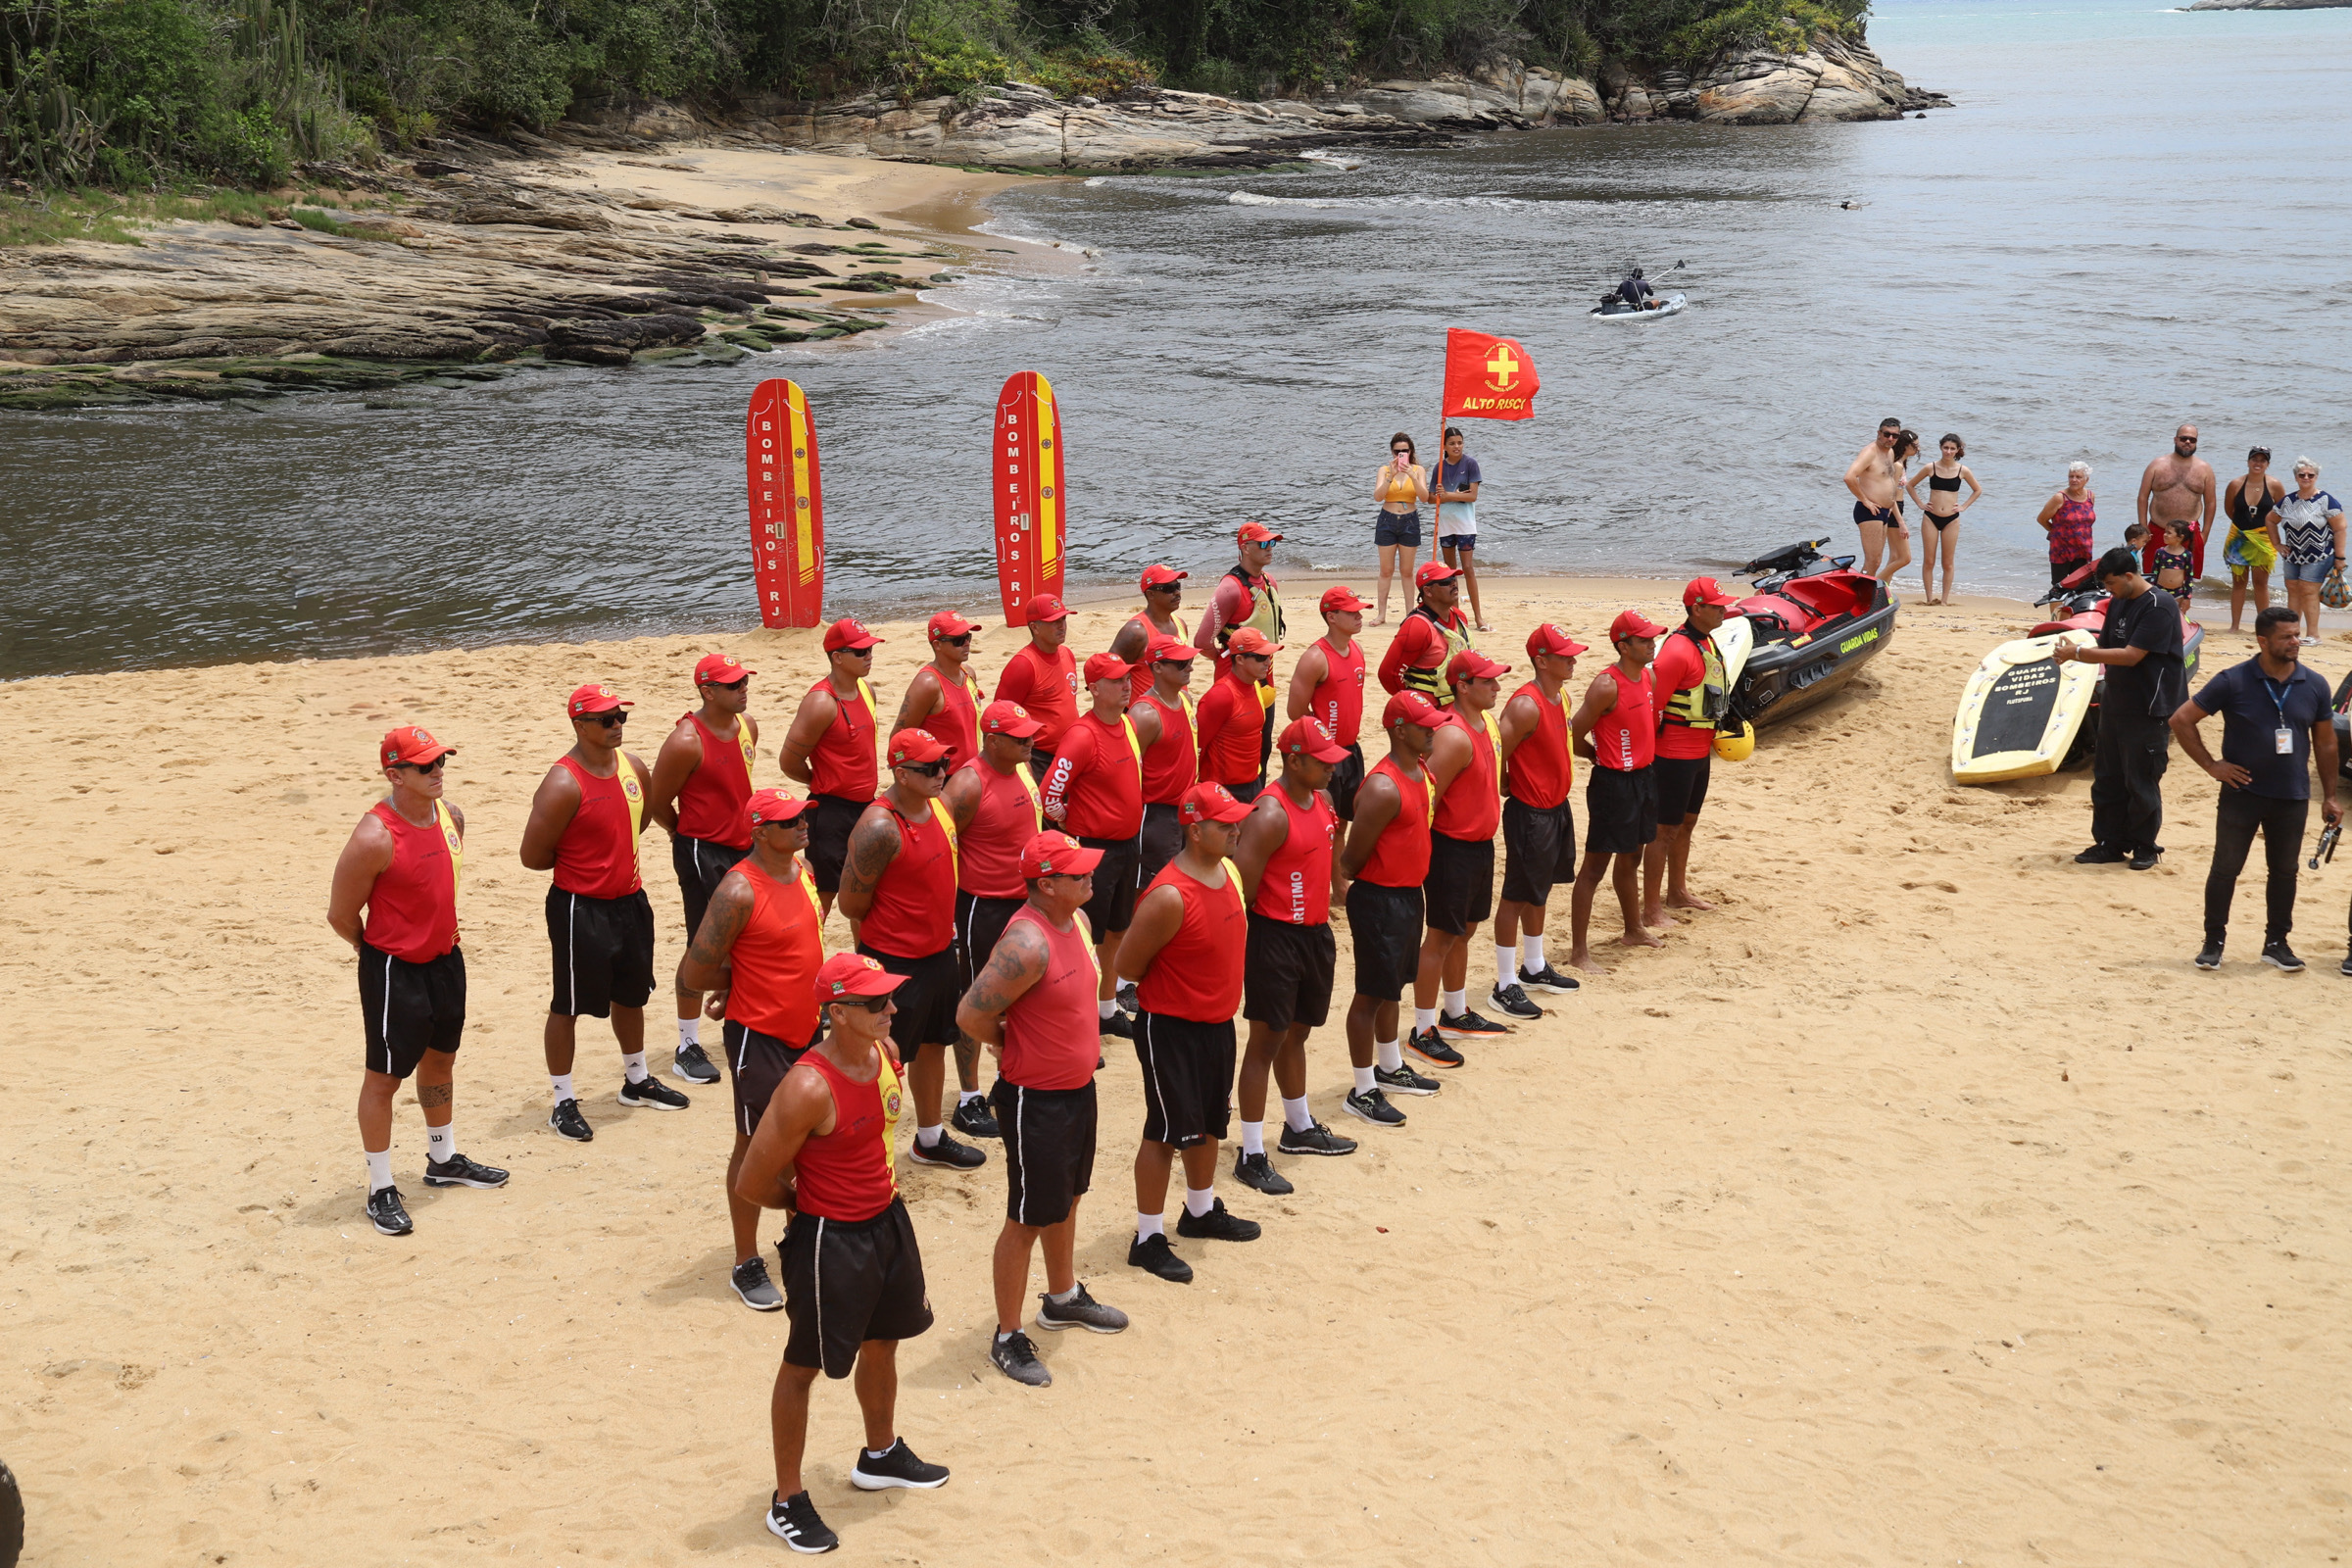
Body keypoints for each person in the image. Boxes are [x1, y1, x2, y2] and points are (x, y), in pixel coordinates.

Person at [735, 951, 948, 1555]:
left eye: (889, 998)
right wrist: (806, 1207)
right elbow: (752, 1183)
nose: (892, 1008)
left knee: (886, 1340)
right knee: (802, 1367)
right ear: (836, 1011)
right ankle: (786, 1500)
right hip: (831, 1241)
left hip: (888, 1221)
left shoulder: (885, 1054)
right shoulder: (806, 1086)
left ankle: (879, 1454)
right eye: (876, 1002)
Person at [955, 830, 1132, 1389]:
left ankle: (1062, 1296)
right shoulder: (1025, 944)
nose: (1088, 877)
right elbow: (970, 1014)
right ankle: (1007, 1335)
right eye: (1076, 873)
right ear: (1045, 883)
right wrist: (1008, 1046)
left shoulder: (1073, 921)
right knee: (1027, 1216)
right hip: (1037, 1099)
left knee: (1068, 1198)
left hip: (1077, 1089)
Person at [326, 726, 507, 1237]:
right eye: (425, 766)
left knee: (441, 1059)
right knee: (384, 1079)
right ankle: (380, 1186)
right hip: (393, 969)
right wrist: (374, 949)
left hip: (446, 960)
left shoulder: (452, 817)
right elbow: (341, 914)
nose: (438, 772)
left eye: (440, 762)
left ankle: (443, 1158)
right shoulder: (374, 836)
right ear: (394, 775)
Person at [519, 684, 691, 1143]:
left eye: (621, 717)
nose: (617, 726)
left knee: (632, 994)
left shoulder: (633, 767)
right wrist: (588, 864)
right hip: (580, 907)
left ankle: (636, 1081)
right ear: (580, 725)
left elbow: (639, 821)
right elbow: (533, 856)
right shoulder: (562, 782)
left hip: (631, 901)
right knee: (569, 1004)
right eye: (606, 720)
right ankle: (562, 1101)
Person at [674, 788, 825, 1312]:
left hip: (806, 1029)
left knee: (806, 1143)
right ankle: (745, 1262)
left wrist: (746, 974)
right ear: (760, 832)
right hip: (758, 1037)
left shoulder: (802, 871)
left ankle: (799, 1241)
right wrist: (740, 983)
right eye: (789, 821)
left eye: (803, 816)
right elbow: (692, 974)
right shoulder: (738, 890)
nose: (802, 824)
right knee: (756, 1147)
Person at [1117, 782, 1259, 1284]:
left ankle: (1199, 1212)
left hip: (1217, 1024)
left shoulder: (1230, 873)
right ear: (1196, 831)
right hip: (1170, 1029)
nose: (1237, 829)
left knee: (1210, 1122)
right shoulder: (1168, 896)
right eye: (1226, 824)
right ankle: (1148, 1238)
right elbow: (1127, 965)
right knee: (1164, 1130)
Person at [839, 729, 987, 1171]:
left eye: (944, 763)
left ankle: (929, 1138)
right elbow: (851, 903)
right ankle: (861, 1153)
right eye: (929, 768)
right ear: (901, 774)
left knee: (932, 1044)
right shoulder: (879, 827)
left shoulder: (938, 807)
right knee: (879, 1059)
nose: (942, 773)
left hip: (939, 952)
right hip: (894, 963)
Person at [1228, 716, 1358, 1197]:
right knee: (1266, 1040)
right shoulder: (1268, 813)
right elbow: (1243, 887)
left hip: (1314, 933)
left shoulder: (1322, 802)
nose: (1331, 769)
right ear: (1294, 760)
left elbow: (1327, 863)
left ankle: (1299, 1126)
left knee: (1298, 1032)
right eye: (1321, 761)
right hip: (1274, 936)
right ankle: (1251, 1152)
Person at [2172, 607, 2340, 973]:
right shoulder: (2232, 680)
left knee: (2284, 871)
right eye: (2286, 636)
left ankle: (2276, 943)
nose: (2296, 641)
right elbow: (2182, 719)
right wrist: (2212, 766)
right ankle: (2213, 942)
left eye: (2297, 634)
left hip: (2292, 794)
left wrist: (2329, 795)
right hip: (2242, 793)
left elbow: (2326, 744)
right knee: (2226, 868)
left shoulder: (2314, 684)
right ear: (2263, 641)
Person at [1336, 692, 1448, 1128]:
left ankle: (1389, 1065)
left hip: (1405, 896)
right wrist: (1347, 883)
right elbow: (1352, 857)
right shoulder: (1383, 786)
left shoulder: (1418, 770)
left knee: (1392, 988)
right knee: (1369, 994)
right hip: (1380, 900)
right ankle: (1362, 1090)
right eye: (1425, 726)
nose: (1433, 731)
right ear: (1400, 730)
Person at [647, 653, 760, 1088]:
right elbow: (658, 802)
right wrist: (685, 836)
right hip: (702, 850)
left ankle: (744, 1017)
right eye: (733, 685)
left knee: (748, 938)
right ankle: (686, 1045)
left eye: (744, 681)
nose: (743, 689)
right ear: (707, 692)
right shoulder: (685, 741)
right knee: (703, 947)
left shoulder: (747, 726)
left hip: (744, 846)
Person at [939, 700, 1049, 1141]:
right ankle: (968, 1099)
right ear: (994, 739)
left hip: (1024, 903)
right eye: (1020, 737)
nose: (1030, 742)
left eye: (1030, 735)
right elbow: (941, 846)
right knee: (976, 1000)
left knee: (1021, 997)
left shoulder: (1022, 767)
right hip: (981, 906)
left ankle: (1013, 1079)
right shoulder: (967, 783)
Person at [1407, 648, 1514, 1058]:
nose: (1497, 687)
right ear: (1463, 686)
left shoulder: (1485, 722)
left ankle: (1454, 1011)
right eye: (1487, 681)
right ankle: (1422, 1029)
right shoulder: (1452, 734)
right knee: (1439, 938)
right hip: (1451, 848)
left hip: (1480, 846)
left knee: (1464, 931)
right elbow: (1427, 799)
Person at [2053, 548, 2184, 871]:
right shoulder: (2118, 601)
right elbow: (2108, 646)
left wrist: (2077, 652)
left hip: (2149, 704)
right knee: (2107, 777)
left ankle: (2144, 846)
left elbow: (2131, 655)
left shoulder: (2159, 605)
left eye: (2111, 583)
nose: (2108, 590)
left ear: (2129, 575)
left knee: (2140, 778)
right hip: (2117, 700)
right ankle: (2109, 843)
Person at [1041, 652, 1148, 1042]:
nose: (1126, 685)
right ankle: (1082, 1016)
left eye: (1128, 678)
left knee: (1119, 928)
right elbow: (1050, 792)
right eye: (1118, 680)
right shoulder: (1082, 735)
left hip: (1127, 845)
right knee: (1088, 935)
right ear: (1094, 689)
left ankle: (1106, 1009)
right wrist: (1072, 826)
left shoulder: (1128, 725)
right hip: (1094, 850)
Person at [1491, 624, 1587, 1013]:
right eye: (1565, 656)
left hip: (1555, 807)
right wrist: (1505, 785)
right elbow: (1496, 751)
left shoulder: (1560, 696)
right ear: (1542, 661)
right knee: (1515, 894)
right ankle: (1504, 982)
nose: (1574, 659)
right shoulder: (1525, 704)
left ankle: (1533, 966)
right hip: (1530, 812)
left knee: (1540, 888)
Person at [1567, 613, 1664, 974]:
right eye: (1645, 640)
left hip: (1643, 777)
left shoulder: (1649, 676)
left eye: (1653, 638)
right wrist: (1595, 755)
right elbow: (1573, 732)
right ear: (1624, 646)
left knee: (1632, 858)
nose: (1652, 643)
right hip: (1614, 784)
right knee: (1594, 868)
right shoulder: (1607, 685)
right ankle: (1579, 952)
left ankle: (1633, 929)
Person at [778, 617, 883, 917]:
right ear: (837, 657)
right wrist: (822, 779)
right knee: (823, 897)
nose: (869, 657)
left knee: (864, 897)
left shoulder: (867, 690)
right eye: (860, 652)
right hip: (830, 811)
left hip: (865, 806)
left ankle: (865, 960)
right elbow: (788, 762)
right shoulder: (821, 703)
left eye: (870, 650)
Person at [1645, 579, 1735, 929]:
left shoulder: (1706, 641)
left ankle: (1677, 892)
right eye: (1717, 605)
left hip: (1699, 753)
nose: (1724, 610)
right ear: (1697, 609)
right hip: (1672, 755)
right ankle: (1651, 909)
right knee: (1663, 831)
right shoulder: (1677, 651)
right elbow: (1654, 707)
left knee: (1687, 824)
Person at [1286, 586, 1369, 819]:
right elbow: (1295, 712)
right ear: (1331, 617)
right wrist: (1323, 735)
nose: (1360, 617)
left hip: (1351, 749)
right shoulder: (1315, 658)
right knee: (1323, 821)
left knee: (1343, 822)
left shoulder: (1358, 649)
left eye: (1359, 611)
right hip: (1323, 754)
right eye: (1352, 612)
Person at [1129, 633, 1200, 893]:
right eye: (1181, 663)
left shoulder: (1185, 700)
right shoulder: (1145, 715)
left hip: (1186, 807)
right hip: (1156, 814)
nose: (1190, 667)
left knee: (1184, 881)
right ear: (1157, 667)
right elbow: (1128, 771)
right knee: (1154, 886)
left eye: (1189, 660)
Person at [891, 611, 983, 780]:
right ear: (937, 645)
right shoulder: (928, 684)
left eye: (968, 637)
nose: (967, 644)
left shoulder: (968, 674)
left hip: (972, 772)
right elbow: (899, 739)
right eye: (958, 640)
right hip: (941, 777)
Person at [993, 595, 1078, 776]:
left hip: (1069, 755)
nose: (1062, 626)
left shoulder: (1067, 654)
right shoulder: (1023, 665)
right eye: (1054, 621)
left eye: (1063, 619)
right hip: (1038, 758)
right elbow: (1000, 715)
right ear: (1035, 627)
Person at [1194, 520, 1288, 683]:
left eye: (1272, 543)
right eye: (1263, 543)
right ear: (1245, 548)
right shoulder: (1230, 589)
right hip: (1235, 673)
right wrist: (1223, 657)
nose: (1269, 548)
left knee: (1267, 707)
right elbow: (1202, 642)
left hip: (1266, 667)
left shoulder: (1269, 582)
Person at [1196, 626, 1278, 804]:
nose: (1268, 662)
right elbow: (1197, 747)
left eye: (1269, 656)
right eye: (1261, 657)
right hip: (1224, 790)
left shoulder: (1256, 686)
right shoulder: (1221, 696)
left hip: (1253, 783)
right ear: (1239, 659)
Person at [1379, 561, 1476, 710]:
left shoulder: (1459, 616)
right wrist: (1415, 706)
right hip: (1432, 710)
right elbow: (1388, 674)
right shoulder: (1417, 627)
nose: (1453, 584)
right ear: (1428, 591)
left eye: (1453, 579)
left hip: (1460, 706)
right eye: (1445, 582)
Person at [2275, 460, 2346, 647]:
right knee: (2293, 591)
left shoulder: (2326, 500)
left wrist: (2340, 557)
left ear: (2316, 477)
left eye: (2310, 475)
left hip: (2319, 554)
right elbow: (2269, 519)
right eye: (2302, 475)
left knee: (2308, 592)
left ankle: (2313, 635)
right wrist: (2277, 544)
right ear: (2296, 477)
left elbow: (2340, 529)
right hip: (2292, 554)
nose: (2306, 478)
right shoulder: (2288, 500)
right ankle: (2293, 634)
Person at [2137, 424, 2220, 587]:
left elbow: (2210, 502)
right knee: (2152, 580)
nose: (2187, 442)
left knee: (2185, 582)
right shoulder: (2157, 465)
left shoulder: (2205, 469)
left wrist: (2205, 533)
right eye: (2183, 438)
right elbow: (2142, 497)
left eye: (2192, 439)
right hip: (2157, 530)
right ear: (2175, 440)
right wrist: (2143, 528)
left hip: (2189, 534)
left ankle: (2180, 612)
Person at [1904, 432, 1980, 605]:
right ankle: (1929, 598)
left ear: (1957, 450)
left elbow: (1977, 490)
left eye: (1952, 448)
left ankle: (1944, 600)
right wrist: (1920, 504)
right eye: (1945, 447)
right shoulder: (1930, 467)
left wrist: (1964, 506)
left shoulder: (1963, 470)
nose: (1948, 451)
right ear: (1940, 447)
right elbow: (1910, 485)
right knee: (1929, 560)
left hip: (1951, 519)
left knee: (1947, 562)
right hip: (1930, 517)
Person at [2223, 447, 2285, 634]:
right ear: (2248, 461)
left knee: (2261, 583)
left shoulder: (2275, 485)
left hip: (2264, 539)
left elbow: (2281, 512)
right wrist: (2245, 529)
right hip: (2239, 538)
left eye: (2262, 460)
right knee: (2239, 583)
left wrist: (2261, 530)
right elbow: (2229, 510)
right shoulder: (2235, 484)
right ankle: (2235, 626)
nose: (2258, 463)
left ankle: (2263, 628)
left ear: (2268, 464)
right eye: (2254, 459)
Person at [1432, 427, 1489, 629]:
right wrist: (1439, 495)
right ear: (1444, 446)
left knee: (1468, 568)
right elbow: (1431, 499)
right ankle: (1455, 616)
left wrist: (1448, 495)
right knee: (1450, 572)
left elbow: (1472, 496)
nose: (1457, 446)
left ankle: (1478, 617)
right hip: (1446, 524)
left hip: (1465, 525)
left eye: (1460, 442)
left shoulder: (1470, 464)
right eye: (1452, 443)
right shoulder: (1439, 467)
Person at [1108, 564, 1189, 704]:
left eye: (1177, 586)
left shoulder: (1180, 624)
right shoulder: (1136, 631)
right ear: (1151, 594)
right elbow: (1110, 672)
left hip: (1178, 708)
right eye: (1168, 589)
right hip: (1147, 716)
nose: (1176, 593)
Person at [1371, 436, 1427, 624]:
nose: (1400, 455)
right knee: (1386, 570)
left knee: (1407, 571)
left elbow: (1424, 497)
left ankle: (1410, 612)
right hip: (1387, 519)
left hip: (1409, 520)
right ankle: (1381, 614)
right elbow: (1378, 496)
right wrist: (1391, 476)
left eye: (1405, 451)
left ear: (1410, 452)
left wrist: (1412, 475)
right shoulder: (1385, 470)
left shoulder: (1418, 470)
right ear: (1392, 452)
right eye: (1397, 452)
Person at [1843, 416, 1904, 577]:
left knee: (1877, 561)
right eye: (1886, 434)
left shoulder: (1889, 452)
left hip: (1883, 511)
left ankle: (1866, 593)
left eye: (1894, 436)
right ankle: (1861, 595)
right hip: (1870, 510)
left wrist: (1890, 505)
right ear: (1879, 433)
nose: (1890, 438)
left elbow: (1886, 480)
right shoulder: (1870, 452)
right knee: (1872, 561)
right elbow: (1849, 477)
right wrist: (1865, 501)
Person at [2037, 463, 2098, 587]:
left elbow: (2085, 522)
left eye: (2078, 477)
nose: (2074, 480)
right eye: (2071, 476)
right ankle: (2057, 607)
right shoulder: (2060, 498)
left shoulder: (2090, 496)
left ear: (2086, 479)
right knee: (2059, 588)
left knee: (2082, 587)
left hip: (2083, 550)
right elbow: (2041, 519)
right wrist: (2057, 534)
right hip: (2061, 551)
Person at [1876, 429, 1919, 588]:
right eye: (1915, 445)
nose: (1918, 448)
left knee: (1894, 556)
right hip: (1893, 509)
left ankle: (1883, 591)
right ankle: (1873, 584)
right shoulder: (1897, 465)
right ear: (1906, 445)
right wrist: (1901, 522)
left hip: (1896, 508)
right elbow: (1891, 495)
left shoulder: (1901, 463)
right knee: (1905, 557)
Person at [2151, 519, 2196, 612]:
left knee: (2177, 619)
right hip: (2160, 591)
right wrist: (2151, 591)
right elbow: (2154, 573)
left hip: (2178, 593)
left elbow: (2189, 577)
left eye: (2169, 533)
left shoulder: (2186, 555)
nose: (2165, 535)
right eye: (2165, 532)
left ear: (2180, 538)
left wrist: (2187, 597)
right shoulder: (2160, 552)